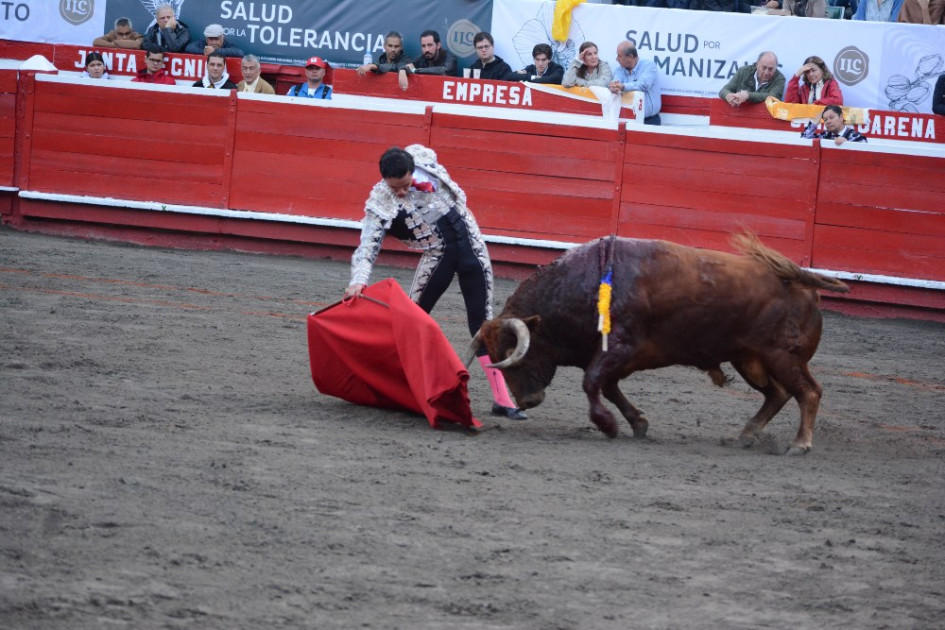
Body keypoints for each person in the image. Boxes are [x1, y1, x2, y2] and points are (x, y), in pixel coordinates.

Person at [344, 145, 527, 421]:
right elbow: (368, 244)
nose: (402, 192)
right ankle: (391, 385)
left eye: (405, 185)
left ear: (411, 170)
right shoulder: (380, 201)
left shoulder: (424, 160)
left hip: (471, 246)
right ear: (385, 181)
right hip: (438, 253)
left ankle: (502, 399)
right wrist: (358, 280)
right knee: (410, 319)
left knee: (483, 324)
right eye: (396, 189)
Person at [610, 41, 662, 125]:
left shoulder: (649, 66)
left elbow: (643, 85)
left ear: (630, 57)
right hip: (627, 120)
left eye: (619, 56)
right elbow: (616, 81)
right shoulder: (619, 69)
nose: (617, 59)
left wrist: (623, 87)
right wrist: (613, 86)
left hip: (650, 121)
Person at [719, 51, 786, 107]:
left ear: (776, 67)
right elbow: (724, 90)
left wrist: (748, 95)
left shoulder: (779, 79)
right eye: (764, 67)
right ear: (757, 64)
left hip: (765, 119)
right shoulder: (743, 71)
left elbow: (772, 97)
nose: (766, 72)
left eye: (770, 69)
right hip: (739, 115)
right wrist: (728, 96)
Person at [801, 105, 867, 144]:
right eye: (825, 119)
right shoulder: (824, 135)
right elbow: (803, 140)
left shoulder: (855, 136)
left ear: (841, 117)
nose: (828, 122)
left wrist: (847, 143)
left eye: (831, 117)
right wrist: (815, 123)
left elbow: (864, 145)